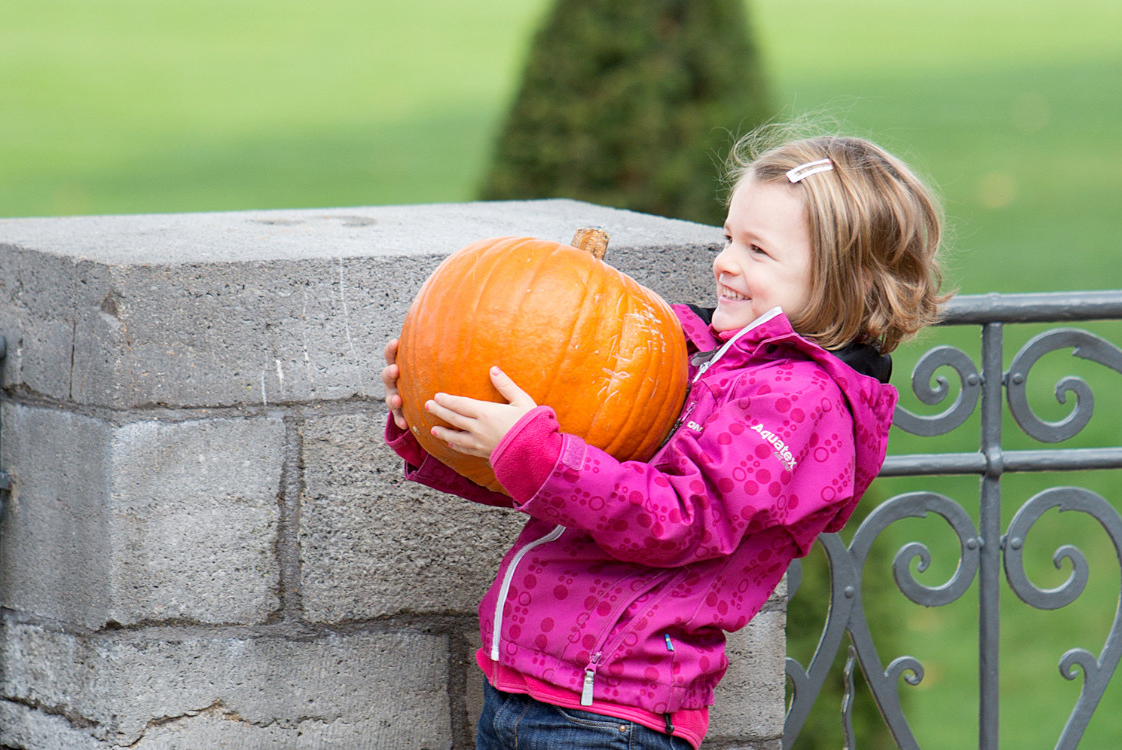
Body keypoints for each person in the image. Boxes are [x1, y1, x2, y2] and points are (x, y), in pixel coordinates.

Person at [381, 130, 947, 750]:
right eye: (728, 237)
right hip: (526, 688)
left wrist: (534, 453)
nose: (726, 262)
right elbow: (569, 487)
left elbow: (681, 516)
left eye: (758, 250)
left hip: (611, 714)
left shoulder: (799, 402)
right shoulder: (697, 356)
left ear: (844, 279)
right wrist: (437, 435)